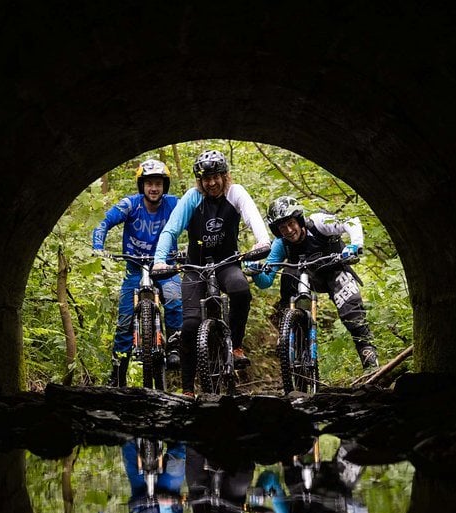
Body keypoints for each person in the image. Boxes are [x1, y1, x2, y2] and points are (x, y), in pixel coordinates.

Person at [150, 149, 271, 396]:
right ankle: (186, 389)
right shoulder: (193, 198)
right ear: (200, 181)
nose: (212, 183)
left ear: (225, 175)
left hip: (227, 262)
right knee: (191, 324)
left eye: (216, 176)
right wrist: (160, 260)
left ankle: (236, 346)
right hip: (195, 267)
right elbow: (170, 230)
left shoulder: (235, 193)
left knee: (240, 290)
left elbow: (253, 217)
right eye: (206, 178)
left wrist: (262, 241)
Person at [252, 196, 380, 371]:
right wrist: (255, 272)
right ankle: (288, 327)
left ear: (299, 220)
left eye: (291, 223)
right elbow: (266, 280)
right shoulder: (281, 244)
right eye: (282, 227)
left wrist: (355, 245)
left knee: (353, 315)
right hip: (309, 277)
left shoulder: (319, 223)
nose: (289, 230)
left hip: (335, 271)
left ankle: (370, 361)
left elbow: (351, 221)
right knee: (288, 274)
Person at [92, 159, 183, 385]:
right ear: (142, 185)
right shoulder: (130, 205)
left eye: (159, 183)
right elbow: (103, 222)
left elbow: (194, 220)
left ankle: (174, 347)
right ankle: (117, 377)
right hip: (135, 268)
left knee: (174, 298)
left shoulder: (174, 204)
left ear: (165, 186)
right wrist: (98, 248)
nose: (154, 188)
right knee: (124, 322)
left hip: (166, 267)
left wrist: (195, 248)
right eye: (149, 183)